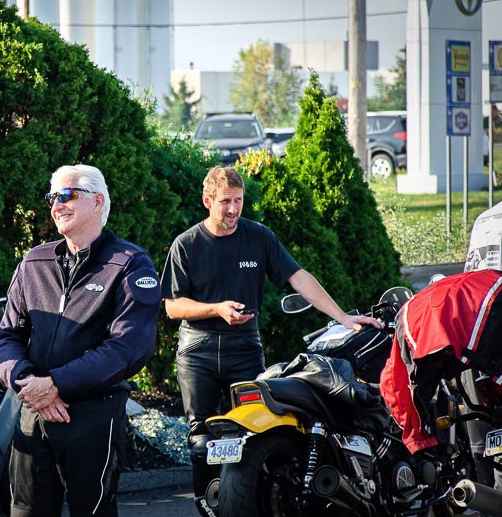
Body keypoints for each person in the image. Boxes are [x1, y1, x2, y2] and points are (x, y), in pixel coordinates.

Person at [160, 166, 380, 516]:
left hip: (245, 346)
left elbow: (299, 277)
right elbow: (172, 306)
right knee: (202, 441)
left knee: (257, 431)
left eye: (238, 200)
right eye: (225, 202)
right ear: (207, 201)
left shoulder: (258, 237)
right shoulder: (186, 244)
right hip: (198, 349)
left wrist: (343, 317)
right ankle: (209, 508)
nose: (233, 209)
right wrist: (216, 309)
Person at [0, 164, 161, 517]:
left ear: (97, 201)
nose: (57, 205)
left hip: (91, 416)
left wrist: (56, 384)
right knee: (25, 511)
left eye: (67, 195)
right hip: (33, 414)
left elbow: (128, 347)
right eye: (52, 197)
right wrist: (27, 382)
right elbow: (7, 337)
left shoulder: (129, 264)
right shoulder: (34, 263)